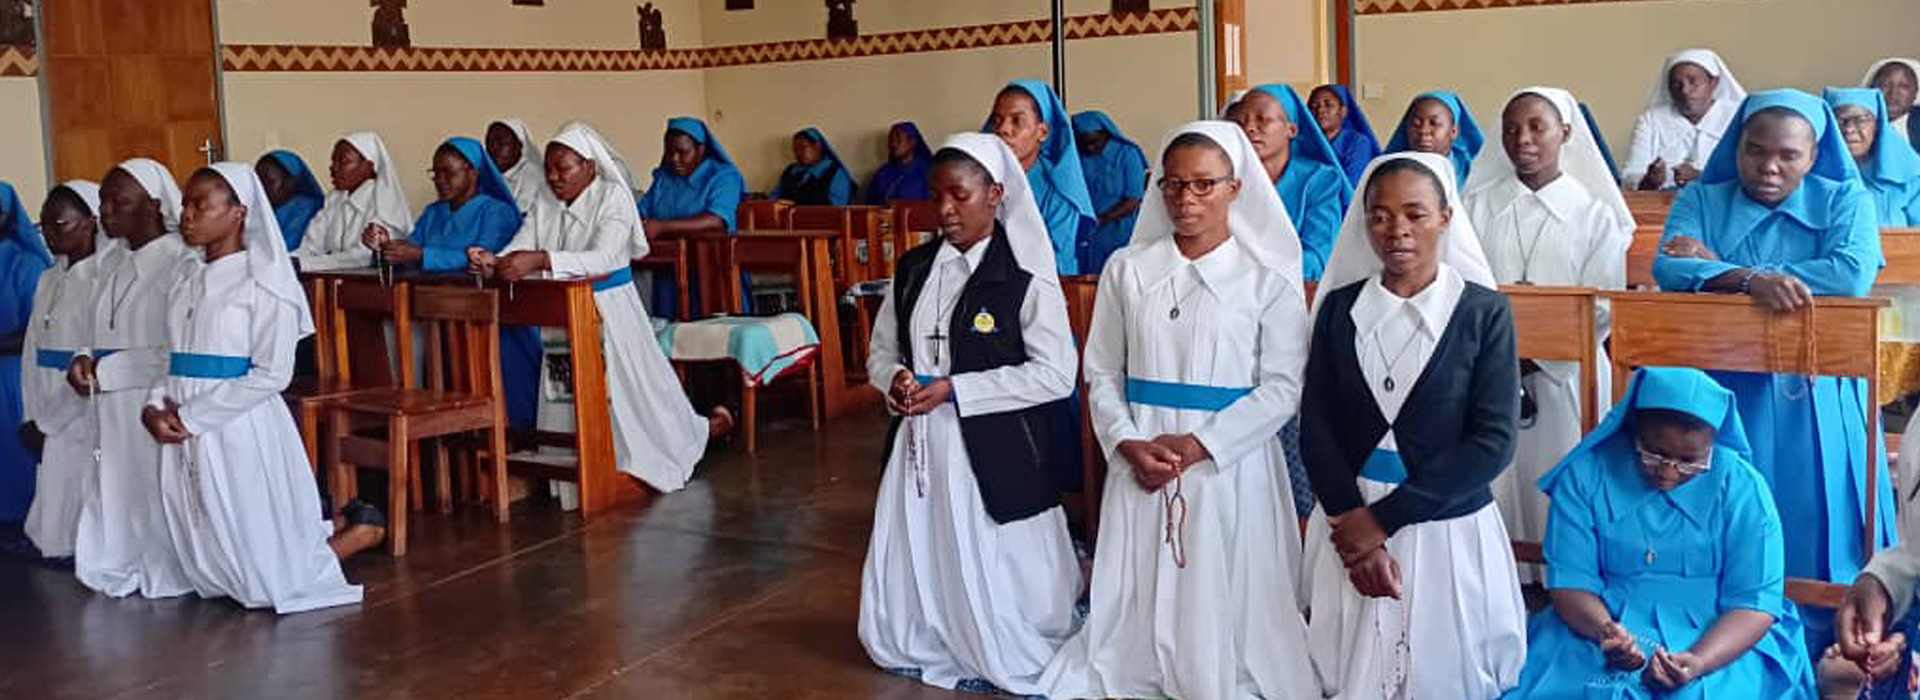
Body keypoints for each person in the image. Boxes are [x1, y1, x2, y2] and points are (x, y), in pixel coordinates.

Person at [1039, 121, 1318, 700]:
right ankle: (1138, 655)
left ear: (1235, 188)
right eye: (1172, 186)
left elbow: (1283, 387)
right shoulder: (1127, 270)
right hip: (1141, 449)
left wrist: (1200, 446)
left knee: (1222, 578)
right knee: (1144, 578)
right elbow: (1102, 371)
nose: (1186, 200)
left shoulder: (1267, 279)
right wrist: (1124, 442)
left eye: (1203, 185)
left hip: (1228, 460)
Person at [1655, 89, 1893, 655]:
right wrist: (1752, 282)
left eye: (1788, 155)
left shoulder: (1843, 200)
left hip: (1817, 390)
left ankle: (1828, 635)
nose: (1768, 167)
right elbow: (1669, 265)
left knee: (1817, 514)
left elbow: (1850, 273)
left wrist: (1723, 269)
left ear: (1814, 155)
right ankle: (1725, 638)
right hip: (1725, 385)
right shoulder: (1703, 198)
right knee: (1728, 514)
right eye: (1754, 150)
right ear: (1736, 147)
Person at [857, 133, 1081, 695]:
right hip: (919, 444)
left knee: (995, 558)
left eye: (959, 195)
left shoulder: (1025, 272)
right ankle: (926, 630)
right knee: (923, 545)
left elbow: (1056, 373)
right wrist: (896, 381)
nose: (945, 211)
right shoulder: (912, 269)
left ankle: (993, 632)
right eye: (936, 198)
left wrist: (958, 389)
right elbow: (882, 352)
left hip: (995, 445)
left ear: (996, 194)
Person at [1301, 151, 1526, 700]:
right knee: (1352, 662)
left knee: (1442, 667)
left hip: (1443, 517)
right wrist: (1351, 521)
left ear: (1446, 218)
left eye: (1414, 214)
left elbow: (1494, 440)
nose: (1396, 230)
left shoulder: (1482, 313)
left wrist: (1383, 521)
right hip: (1349, 512)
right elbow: (1316, 424)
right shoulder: (1339, 309)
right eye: (1379, 216)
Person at [146, 163, 384, 614]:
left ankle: (357, 535)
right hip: (182, 416)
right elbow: (168, 355)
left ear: (238, 212)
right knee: (204, 548)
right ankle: (332, 525)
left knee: (265, 575)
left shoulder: (264, 281)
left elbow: (273, 373)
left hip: (236, 421)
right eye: (186, 204)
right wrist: (155, 404)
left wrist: (194, 417)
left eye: (201, 205)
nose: (187, 215)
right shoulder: (184, 280)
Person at [1504, 366, 1816, 699]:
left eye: (1689, 461)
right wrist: (1605, 633)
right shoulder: (1584, 476)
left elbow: (1754, 602)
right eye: (1654, 455)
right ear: (1633, 430)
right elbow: (1571, 584)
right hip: (1594, 624)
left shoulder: (1744, 488)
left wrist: (1698, 661)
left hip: (1723, 633)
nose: (1668, 472)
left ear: (1713, 444)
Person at [470, 122, 733, 494]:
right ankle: (573, 467)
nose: (553, 176)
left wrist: (541, 259)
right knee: (565, 391)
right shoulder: (546, 199)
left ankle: (685, 438)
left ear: (590, 166)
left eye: (563, 168)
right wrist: (493, 261)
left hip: (610, 307)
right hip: (562, 310)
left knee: (639, 393)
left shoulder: (613, 197)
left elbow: (607, 256)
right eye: (548, 168)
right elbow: (522, 242)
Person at [1464, 87, 1634, 546]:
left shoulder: (1594, 215)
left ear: (1566, 133)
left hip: (1569, 375)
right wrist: (1502, 360)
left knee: (1563, 478)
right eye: (1512, 129)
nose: (1523, 139)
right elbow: (1462, 287)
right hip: (1487, 371)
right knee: (1495, 480)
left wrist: (1535, 360)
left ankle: (1563, 577)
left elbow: (1603, 303)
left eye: (1537, 127)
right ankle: (1508, 578)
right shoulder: (1476, 207)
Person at [67, 158, 195, 598]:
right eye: (103, 200)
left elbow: (175, 346)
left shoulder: (181, 262)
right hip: (106, 396)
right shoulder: (110, 260)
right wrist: (83, 357)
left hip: (149, 396)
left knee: (151, 486)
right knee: (114, 482)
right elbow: (95, 326)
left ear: (154, 206)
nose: (105, 211)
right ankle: (116, 556)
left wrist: (108, 370)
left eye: (118, 201)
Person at [361, 136, 540, 429]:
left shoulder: (496, 211)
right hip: (440, 321)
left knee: (498, 400)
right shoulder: (434, 212)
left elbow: (483, 259)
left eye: (449, 172)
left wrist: (421, 254)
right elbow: (410, 253)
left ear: (473, 172)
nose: (440, 180)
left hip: (491, 323)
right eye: (435, 173)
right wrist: (385, 246)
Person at [21, 181, 107, 558]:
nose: (51, 234)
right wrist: (32, 413)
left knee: (87, 474)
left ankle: (90, 548)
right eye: (44, 226)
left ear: (91, 222)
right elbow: (31, 349)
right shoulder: (48, 278)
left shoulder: (105, 278)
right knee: (54, 475)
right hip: (45, 386)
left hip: (83, 394)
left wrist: (61, 409)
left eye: (61, 224)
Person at [1226, 83, 1354, 280]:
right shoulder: (1226, 179)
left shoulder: (1319, 180)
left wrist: (1246, 269)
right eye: (1241, 122)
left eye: (1263, 119)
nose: (1249, 128)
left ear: (1291, 129)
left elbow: (1317, 259)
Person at [985, 79, 1098, 275]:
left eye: (1016, 121)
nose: (1003, 129)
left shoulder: (1058, 194)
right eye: (997, 120)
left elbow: (1057, 267)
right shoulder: (980, 182)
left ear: (1042, 132)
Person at [637, 116, 745, 317]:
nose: (675, 159)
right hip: (669, 268)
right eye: (669, 153)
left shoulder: (724, 176)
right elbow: (641, 212)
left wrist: (661, 227)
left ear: (701, 150)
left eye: (682, 152)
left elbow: (717, 220)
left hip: (712, 269)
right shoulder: (664, 177)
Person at [0, 181, 51, 534]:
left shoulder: (26, 264)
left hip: (12, 375)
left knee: (14, 450)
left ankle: (21, 522)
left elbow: (38, 329)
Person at [1622, 48, 1747, 191]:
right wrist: (1649, 181)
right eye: (1676, 84)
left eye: (1693, 82)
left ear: (1713, 82)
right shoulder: (1651, 120)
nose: (1684, 90)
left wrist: (1702, 178)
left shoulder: (1739, 117)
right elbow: (1630, 176)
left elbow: (1752, 178)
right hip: (1661, 207)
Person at [291, 132, 413, 272]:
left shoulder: (383, 202)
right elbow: (311, 246)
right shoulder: (335, 199)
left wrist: (305, 264)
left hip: (371, 286)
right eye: (333, 161)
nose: (333, 168)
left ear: (369, 166)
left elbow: (363, 256)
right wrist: (287, 261)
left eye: (343, 162)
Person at [1827, 87, 1920, 226]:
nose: (1849, 129)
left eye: (1861, 120)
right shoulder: (1810, 175)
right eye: (1839, 121)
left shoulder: (1909, 175)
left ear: (1877, 125)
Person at [1070, 110, 1148, 274]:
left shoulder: (1127, 154)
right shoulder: (1079, 155)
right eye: (1084, 144)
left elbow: (1134, 199)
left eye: (1095, 142)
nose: (1090, 148)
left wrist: (1103, 218)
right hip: (1088, 232)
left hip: (1120, 231)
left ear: (1107, 134)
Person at [1384, 90, 1485, 186]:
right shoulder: (1390, 173)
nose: (1423, 131)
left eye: (1434, 123)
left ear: (1454, 131)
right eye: (1416, 124)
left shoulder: (1474, 173)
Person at [1310, 84, 1383, 186]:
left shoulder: (1357, 142)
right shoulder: (1306, 143)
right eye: (1314, 106)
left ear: (1343, 111)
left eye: (1328, 105)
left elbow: (1352, 187)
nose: (1320, 110)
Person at [253, 150, 325, 251]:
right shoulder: (256, 210)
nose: (261, 187)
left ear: (291, 182)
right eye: (257, 181)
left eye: (270, 181)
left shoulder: (310, 209)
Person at [770, 127, 856, 206]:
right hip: (787, 221)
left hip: (822, 222)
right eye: (795, 149)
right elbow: (775, 198)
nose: (798, 153)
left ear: (817, 146)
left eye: (802, 147)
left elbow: (837, 209)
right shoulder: (790, 171)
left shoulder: (835, 173)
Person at [486, 118, 547, 215]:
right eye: (490, 142)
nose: (493, 148)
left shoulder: (535, 178)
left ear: (520, 145)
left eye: (502, 143)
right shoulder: (483, 175)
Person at [864, 121, 932, 204]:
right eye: (891, 140)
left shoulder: (928, 172)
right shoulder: (882, 173)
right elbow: (870, 202)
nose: (893, 144)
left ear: (912, 142)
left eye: (898, 140)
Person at [1862, 58, 1920, 152]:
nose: (1893, 93)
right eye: (1884, 85)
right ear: (1871, 90)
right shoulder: (1852, 125)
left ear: (1916, 93)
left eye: (1903, 86)